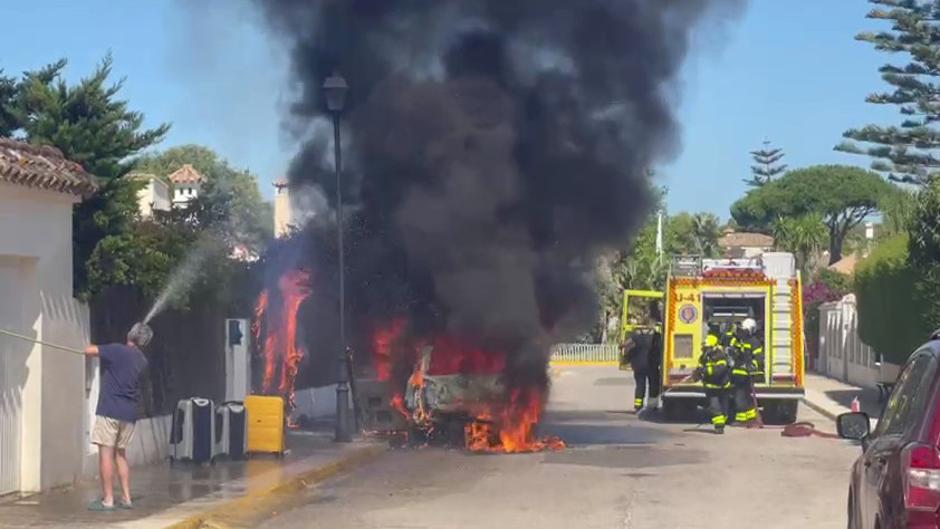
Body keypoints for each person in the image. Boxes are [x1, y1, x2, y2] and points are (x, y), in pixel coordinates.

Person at [84, 323, 151, 511]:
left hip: (109, 410)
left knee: (106, 455)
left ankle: (108, 500)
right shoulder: (142, 361)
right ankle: (127, 498)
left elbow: (89, 350)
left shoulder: (116, 350)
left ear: (130, 335)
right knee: (121, 455)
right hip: (129, 414)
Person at [624, 310, 662, 413]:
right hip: (652, 365)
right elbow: (661, 349)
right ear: (652, 324)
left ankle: (638, 406)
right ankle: (652, 406)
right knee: (653, 385)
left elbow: (625, 345)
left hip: (638, 365)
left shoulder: (636, 335)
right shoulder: (657, 336)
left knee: (640, 385)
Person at [697, 333, 732, 434]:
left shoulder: (721, 356)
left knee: (724, 409)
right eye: (705, 347)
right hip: (711, 388)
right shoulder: (703, 357)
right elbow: (700, 368)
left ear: (714, 347)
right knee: (715, 407)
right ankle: (719, 426)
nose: (706, 349)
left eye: (708, 347)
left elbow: (719, 371)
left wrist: (705, 370)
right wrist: (697, 373)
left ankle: (723, 421)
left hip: (723, 386)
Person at [730, 318, 759, 426]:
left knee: (741, 397)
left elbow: (759, 357)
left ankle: (742, 420)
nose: (741, 332)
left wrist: (752, 365)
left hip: (745, 374)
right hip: (737, 373)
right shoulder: (738, 340)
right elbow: (732, 352)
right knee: (745, 396)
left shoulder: (753, 342)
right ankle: (750, 418)